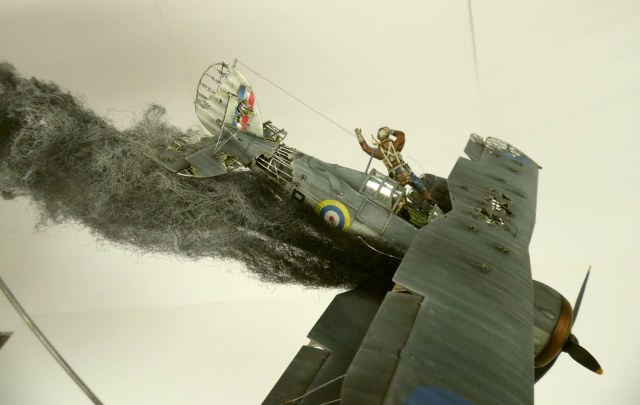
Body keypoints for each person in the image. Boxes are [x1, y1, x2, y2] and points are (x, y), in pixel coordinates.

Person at [355, 126, 436, 205]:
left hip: (395, 175)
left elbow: (365, 148)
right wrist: (391, 131)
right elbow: (401, 134)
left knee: (400, 194)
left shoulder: (379, 153)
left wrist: (359, 135)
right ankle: (428, 198)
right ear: (387, 135)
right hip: (406, 171)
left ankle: (405, 208)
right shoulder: (396, 145)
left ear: (379, 138)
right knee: (419, 185)